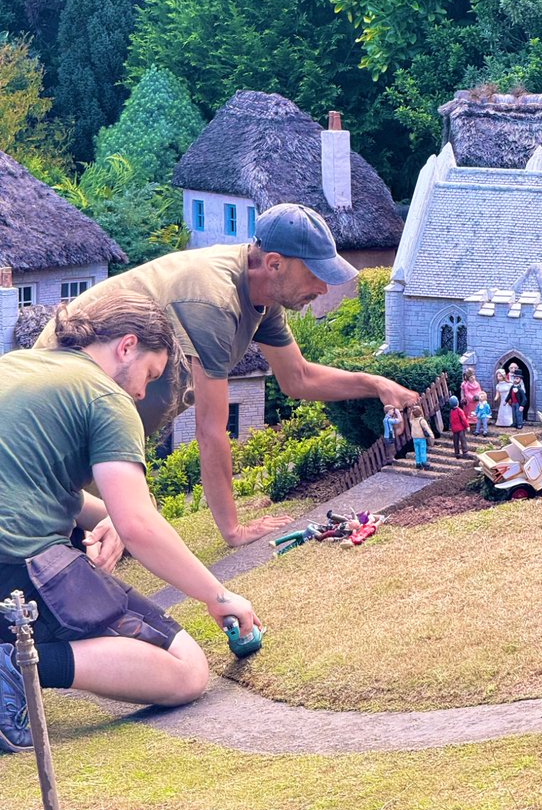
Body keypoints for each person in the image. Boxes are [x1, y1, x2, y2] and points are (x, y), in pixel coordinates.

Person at [36, 203, 417, 554]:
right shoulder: (213, 301)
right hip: (62, 399)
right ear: (274, 263)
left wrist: (376, 384)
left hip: (105, 414)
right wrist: (233, 530)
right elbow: (211, 428)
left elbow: (297, 378)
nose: (324, 288)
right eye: (316, 274)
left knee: (122, 528)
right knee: (95, 526)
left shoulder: (262, 300)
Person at [0, 292, 258, 755]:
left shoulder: (18, 365)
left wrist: (114, 518)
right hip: (14, 562)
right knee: (186, 669)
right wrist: (218, 596)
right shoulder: (105, 396)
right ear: (126, 346)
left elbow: (41, 487)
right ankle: (16, 667)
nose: (141, 392)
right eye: (150, 374)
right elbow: (139, 524)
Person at [409, 405, 434, 470]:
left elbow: (410, 418)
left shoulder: (412, 420)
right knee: (422, 450)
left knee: (417, 451)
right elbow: (427, 428)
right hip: (421, 438)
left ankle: (418, 463)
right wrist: (431, 435)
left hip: (415, 439)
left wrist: (411, 412)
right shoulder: (422, 420)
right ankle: (424, 462)